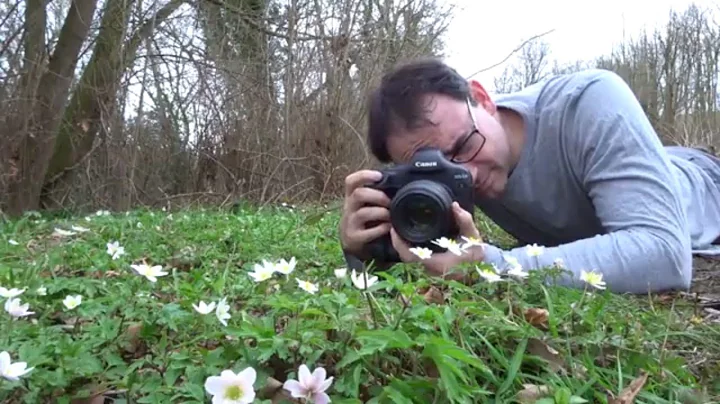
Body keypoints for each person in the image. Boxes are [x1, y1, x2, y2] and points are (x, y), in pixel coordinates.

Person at [338, 57, 720, 294]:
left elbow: (664, 253)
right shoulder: (450, 175)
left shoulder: (590, 102)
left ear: (483, 99)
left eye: (464, 146)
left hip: (703, 182)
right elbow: (419, 265)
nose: (466, 176)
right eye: (437, 166)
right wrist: (363, 252)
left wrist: (494, 267)